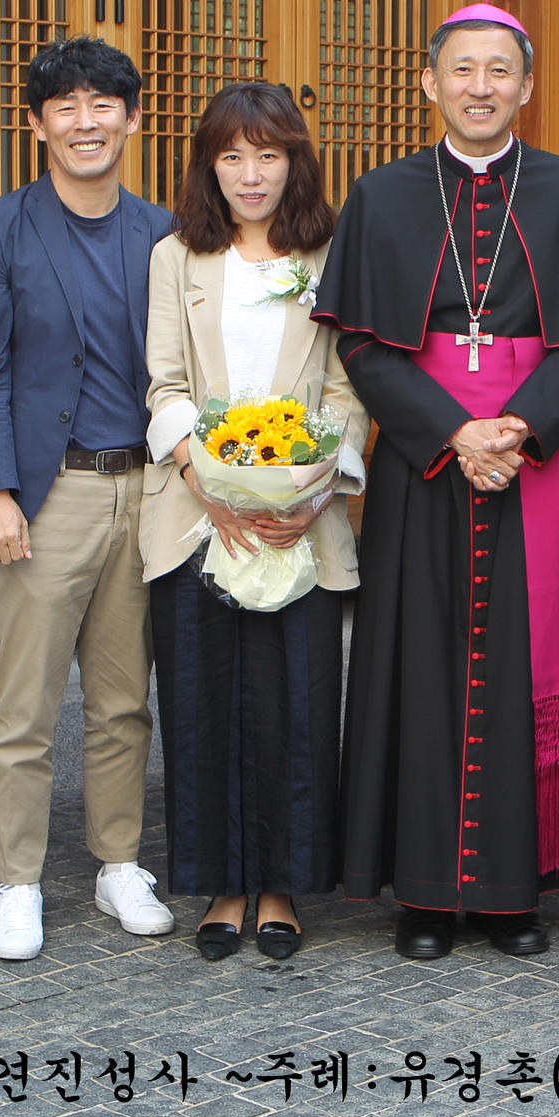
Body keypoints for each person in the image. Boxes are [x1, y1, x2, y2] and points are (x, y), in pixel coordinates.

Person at [312, 3, 559, 960]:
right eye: (463, 68)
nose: (481, 86)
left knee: (522, 665)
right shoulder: (381, 196)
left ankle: (512, 890)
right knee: (417, 664)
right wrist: (453, 432)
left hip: (528, 456)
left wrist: (519, 428)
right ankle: (423, 892)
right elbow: (363, 346)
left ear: (526, 86)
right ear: (431, 82)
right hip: (423, 460)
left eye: (500, 69)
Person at [0, 36, 175, 960]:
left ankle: (118, 862)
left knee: (125, 699)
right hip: (50, 495)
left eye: (103, 104)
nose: (86, 122)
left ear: (133, 117)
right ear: (36, 123)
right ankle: (17, 879)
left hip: (149, 490)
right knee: (26, 702)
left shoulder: (164, 230)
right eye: (66, 106)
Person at [141, 83, 369, 961]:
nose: (250, 173)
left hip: (301, 518)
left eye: (268, 154)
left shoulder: (329, 256)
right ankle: (223, 884)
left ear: (293, 161)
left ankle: (281, 885)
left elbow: (346, 389)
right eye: (231, 155)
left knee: (295, 704)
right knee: (200, 702)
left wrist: (310, 489)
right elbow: (165, 382)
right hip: (199, 517)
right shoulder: (176, 258)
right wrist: (207, 480)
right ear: (209, 165)